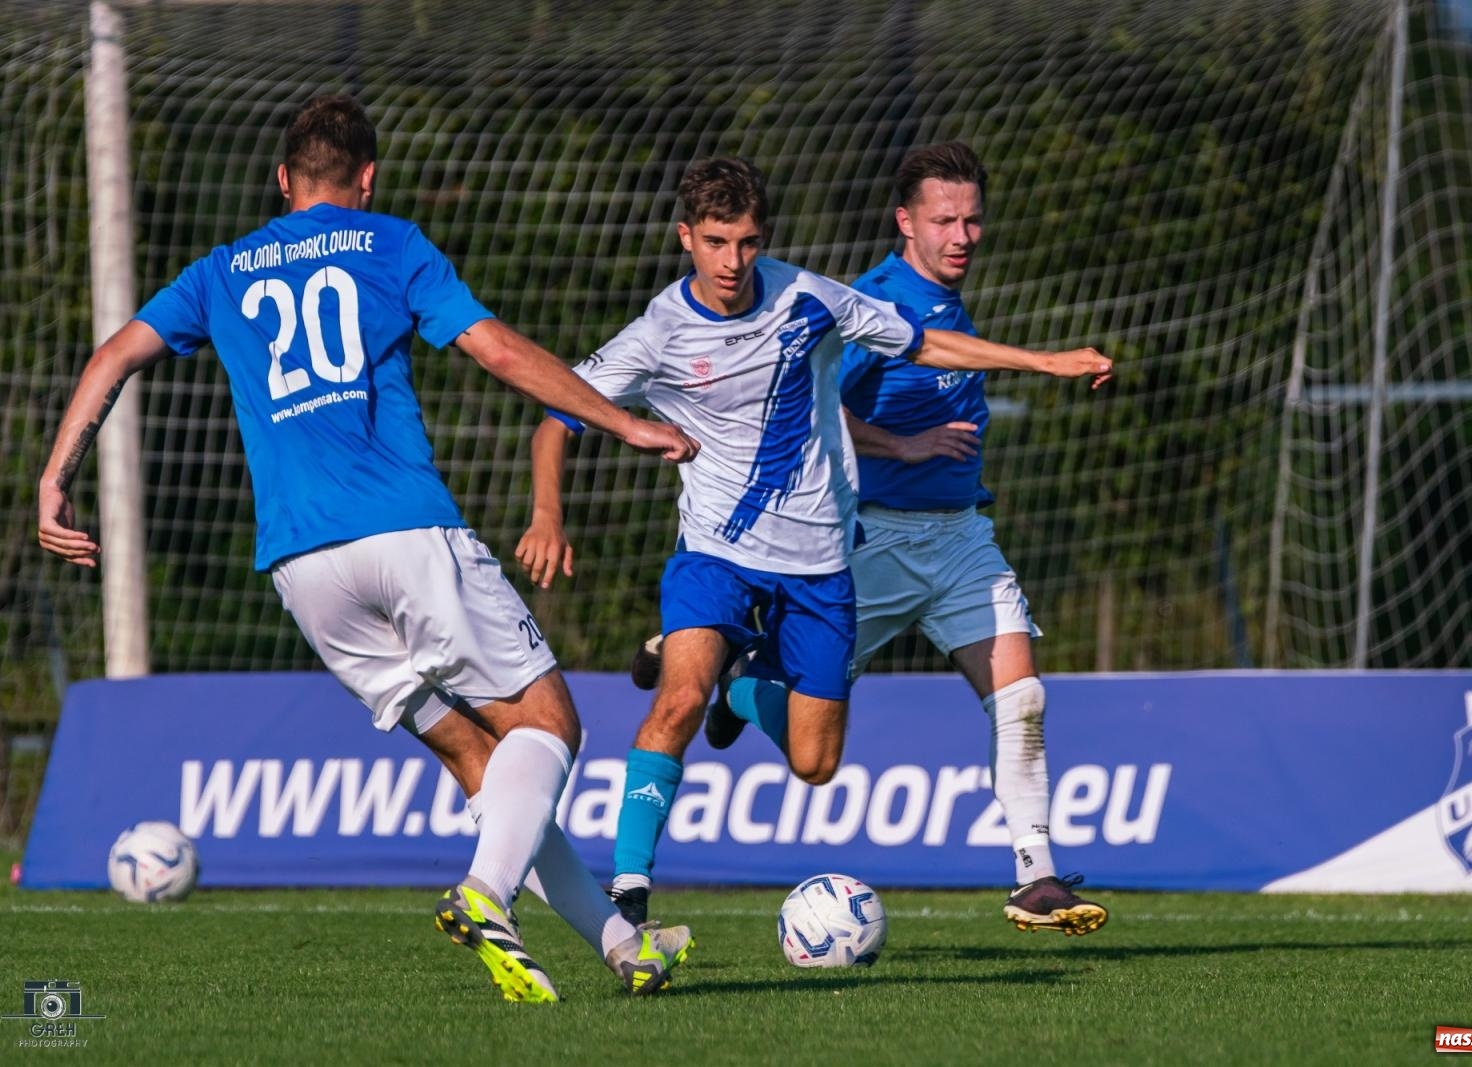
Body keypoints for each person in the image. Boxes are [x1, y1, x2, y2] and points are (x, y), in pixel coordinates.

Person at [36, 94, 698, 1002]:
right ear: (369, 177)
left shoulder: (221, 270)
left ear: (282, 179)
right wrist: (621, 422)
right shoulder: (389, 242)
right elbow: (496, 349)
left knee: (482, 759)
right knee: (548, 726)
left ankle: (624, 947)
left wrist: (53, 479)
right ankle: (484, 894)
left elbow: (111, 355)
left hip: (304, 572)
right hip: (403, 533)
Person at [517, 156, 1111, 927]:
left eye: (749, 242)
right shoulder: (660, 329)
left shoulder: (811, 298)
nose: (734, 261)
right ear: (686, 238)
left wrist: (1045, 361)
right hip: (721, 553)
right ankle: (627, 893)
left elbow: (921, 345)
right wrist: (546, 515)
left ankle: (741, 684)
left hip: (823, 564)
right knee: (678, 699)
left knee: (816, 762)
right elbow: (559, 413)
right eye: (717, 242)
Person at [837, 142, 1108, 937]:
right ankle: (738, 675)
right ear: (904, 222)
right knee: (799, 713)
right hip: (875, 542)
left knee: (1021, 700)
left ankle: (1037, 877)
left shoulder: (953, 304)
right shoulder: (874, 302)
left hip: (961, 541)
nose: (962, 235)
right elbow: (813, 406)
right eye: (944, 220)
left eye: (973, 219)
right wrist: (902, 447)